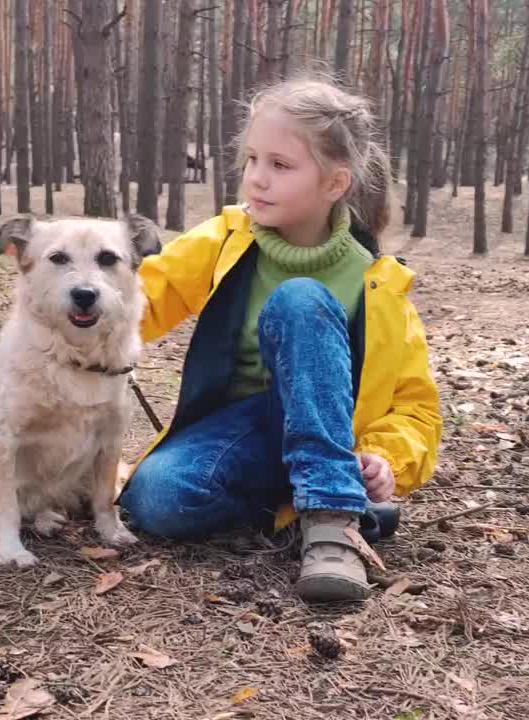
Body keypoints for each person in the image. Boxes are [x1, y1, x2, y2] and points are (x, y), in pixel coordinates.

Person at [119, 75, 442, 603]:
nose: (256, 180)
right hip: (243, 431)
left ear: (335, 184)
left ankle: (334, 522)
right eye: (251, 160)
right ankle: (309, 494)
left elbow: (416, 406)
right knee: (158, 499)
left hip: (331, 429)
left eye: (280, 165)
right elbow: (144, 298)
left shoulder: (378, 283)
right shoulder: (226, 239)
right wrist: (74, 307)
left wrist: (387, 457)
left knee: (301, 299)